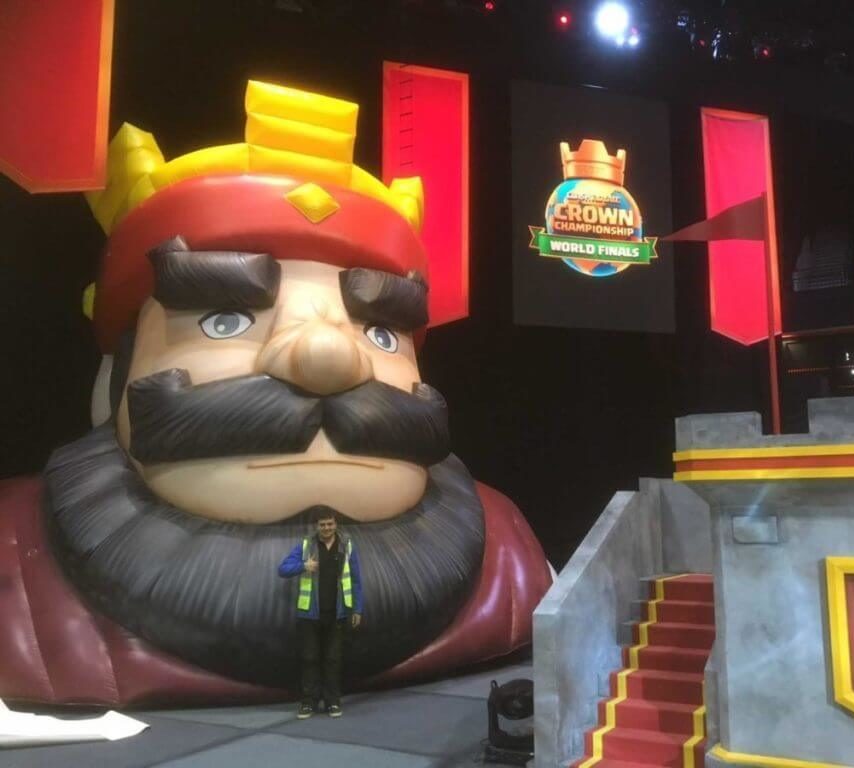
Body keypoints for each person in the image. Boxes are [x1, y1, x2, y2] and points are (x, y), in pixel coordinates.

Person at [0, 79, 552, 707]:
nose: (326, 357)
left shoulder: (511, 559)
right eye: (225, 320)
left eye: (379, 332)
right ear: (113, 383)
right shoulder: (14, 565)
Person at [278, 508, 363, 718]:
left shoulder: (347, 546)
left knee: (333, 659)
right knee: (310, 658)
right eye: (322, 525)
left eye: (330, 524)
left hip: (338, 613)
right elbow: (282, 569)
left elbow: (355, 580)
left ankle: (333, 702)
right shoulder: (306, 545)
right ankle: (308, 702)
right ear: (316, 526)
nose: (326, 528)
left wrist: (357, 609)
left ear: (336, 524)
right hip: (310, 614)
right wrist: (303, 565)